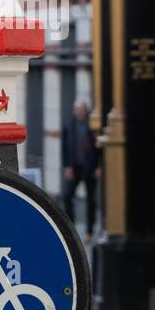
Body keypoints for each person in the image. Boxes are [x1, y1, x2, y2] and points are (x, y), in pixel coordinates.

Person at [62, 100, 99, 239]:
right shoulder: (68, 126)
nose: (79, 112)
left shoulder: (92, 126)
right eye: (77, 109)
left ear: (86, 111)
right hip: (74, 167)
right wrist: (67, 167)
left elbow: (98, 148)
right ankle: (72, 228)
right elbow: (64, 149)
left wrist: (98, 167)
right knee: (67, 196)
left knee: (91, 200)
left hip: (89, 168)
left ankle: (90, 231)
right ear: (74, 111)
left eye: (82, 109)